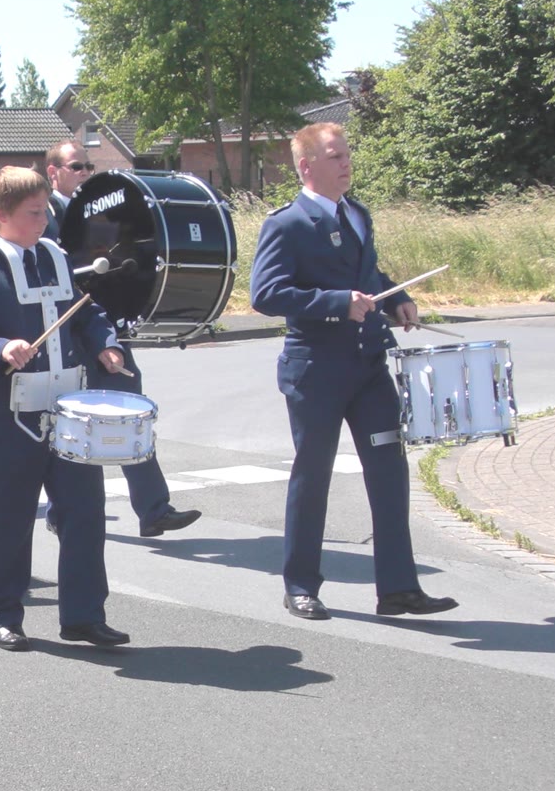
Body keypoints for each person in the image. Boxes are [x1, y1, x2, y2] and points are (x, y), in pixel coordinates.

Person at [250, 122, 457, 621]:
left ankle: (398, 589)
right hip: (316, 370)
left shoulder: (358, 214)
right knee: (313, 475)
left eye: (347, 154)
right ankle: (301, 585)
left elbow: (369, 276)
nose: (346, 163)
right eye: (335, 156)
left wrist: (398, 299)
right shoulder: (287, 224)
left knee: (389, 472)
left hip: (368, 367)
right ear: (307, 166)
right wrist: (337, 302)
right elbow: (266, 293)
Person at [0, 166, 130, 651]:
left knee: (85, 513)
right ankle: (3, 614)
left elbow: (86, 312)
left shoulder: (56, 259)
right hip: (5, 417)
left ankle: (83, 616)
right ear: (2, 214)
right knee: (7, 519)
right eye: (34, 212)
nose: (45, 220)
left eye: (45, 211)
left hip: (67, 412)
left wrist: (105, 343)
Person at [42, 139, 199, 540]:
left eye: (88, 166)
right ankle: (62, 512)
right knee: (72, 425)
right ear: (53, 173)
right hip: (68, 335)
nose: (85, 173)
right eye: (77, 166)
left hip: (104, 326)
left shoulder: (102, 213)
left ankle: (154, 510)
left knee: (131, 411)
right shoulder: (43, 216)